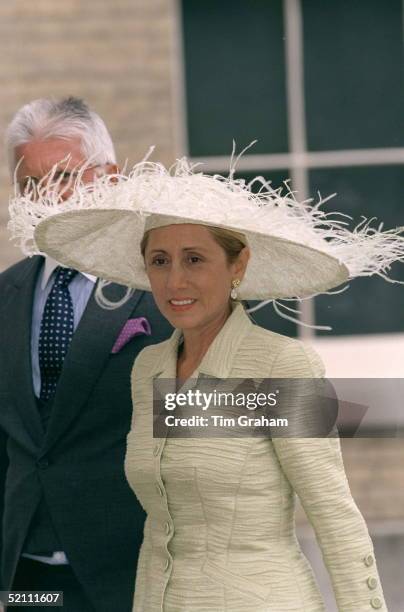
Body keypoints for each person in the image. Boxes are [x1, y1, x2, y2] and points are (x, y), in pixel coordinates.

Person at [27, 158, 400, 611]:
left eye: (195, 259)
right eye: (159, 261)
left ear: (237, 263)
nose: (175, 281)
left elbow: (334, 515)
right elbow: (162, 521)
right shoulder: (150, 368)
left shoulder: (282, 364)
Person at [0, 98, 172, 612]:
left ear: (112, 178)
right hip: (30, 582)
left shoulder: (166, 291)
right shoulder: (6, 295)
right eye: (29, 184)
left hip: (133, 576)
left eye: (64, 176)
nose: (47, 196)